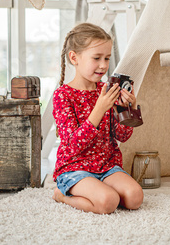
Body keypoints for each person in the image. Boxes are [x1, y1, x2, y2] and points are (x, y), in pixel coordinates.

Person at [52, 22, 143, 214]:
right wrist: (99, 109)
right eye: (96, 58)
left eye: (107, 58)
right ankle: (61, 195)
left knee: (135, 198)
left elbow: (122, 135)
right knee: (108, 202)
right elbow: (73, 145)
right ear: (74, 57)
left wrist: (129, 108)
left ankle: (100, 190)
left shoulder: (106, 90)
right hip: (75, 168)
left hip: (107, 166)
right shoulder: (63, 95)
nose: (103, 65)